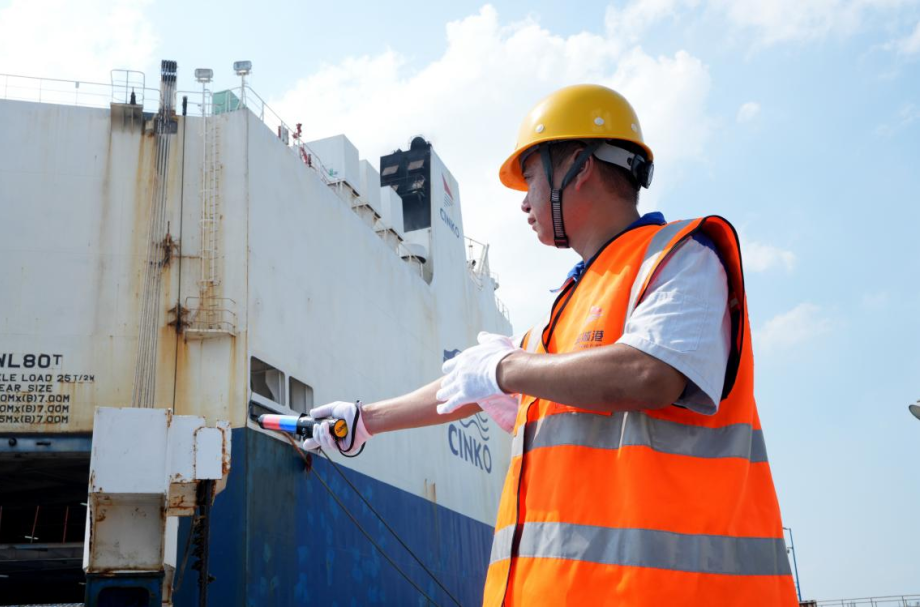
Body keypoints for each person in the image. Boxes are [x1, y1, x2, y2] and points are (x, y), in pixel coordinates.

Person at [304, 84, 798, 606]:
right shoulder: (565, 312)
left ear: (578, 167)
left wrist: (506, 369)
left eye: (531, 177)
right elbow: (469, 386)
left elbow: (650, 374)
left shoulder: (681, 257)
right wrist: (364, 420)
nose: (523, 201)